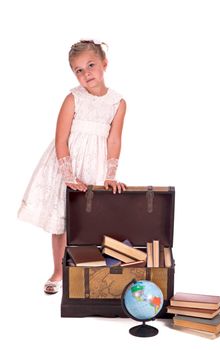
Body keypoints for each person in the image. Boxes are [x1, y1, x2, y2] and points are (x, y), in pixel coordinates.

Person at [18, 39, 127, 294]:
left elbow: (114, 139)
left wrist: (110, 175)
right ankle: (58, 270)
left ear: (104, 64)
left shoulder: (118, 103)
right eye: (79, 70)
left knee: (88, 220)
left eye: (90, 65)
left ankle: (86, 270)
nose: (86, 73)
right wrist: (68, 174)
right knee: (62, 221)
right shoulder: (72, 99)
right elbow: (61, 139)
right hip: (66, 164)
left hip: (95, 168)